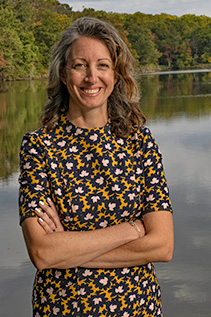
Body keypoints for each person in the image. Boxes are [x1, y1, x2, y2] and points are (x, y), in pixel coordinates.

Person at [19, 17, 174, 317]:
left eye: (102, 65)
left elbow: (163, 245)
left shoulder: (140, 143)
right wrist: (133, 229)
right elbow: (42, 252)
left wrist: (69, 250)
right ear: (64, 74)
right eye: (80, 65)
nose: (92, 77)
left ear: (116, 74)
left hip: (138, 309)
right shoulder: (38, 148)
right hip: (63, 309)